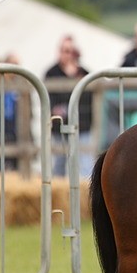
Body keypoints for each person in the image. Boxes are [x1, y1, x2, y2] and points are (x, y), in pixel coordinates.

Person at [45, 36, 93, 178]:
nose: (68, 54)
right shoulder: (51, 73)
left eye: (70, 51)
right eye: (65, 51)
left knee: (85, 165)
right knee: (59, 164)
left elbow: (88, 97)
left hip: (82, 126)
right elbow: (49, 98)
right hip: (59, 127)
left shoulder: (85, 73)